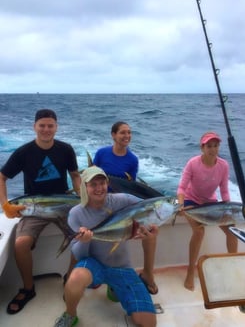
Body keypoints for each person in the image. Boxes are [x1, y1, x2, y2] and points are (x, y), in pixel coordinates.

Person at [54, 166, 157, 327]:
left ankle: (116, 287)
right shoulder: (76, 213)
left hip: (122, 266)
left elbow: (147, 208)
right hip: (94, 264)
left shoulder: (123, 200)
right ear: (84, 186)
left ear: (107, 184)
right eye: (93, 184)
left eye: (102, 183)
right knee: (75, 278)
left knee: (148, 322)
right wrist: (84, 241)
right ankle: (70, 314)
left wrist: (150, 225)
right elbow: (79, 255)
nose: (98, 188)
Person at [0, 109, 81, 314]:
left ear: (56, 127)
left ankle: (70, 279)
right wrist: (5, 205)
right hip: (33, 207)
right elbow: (1, 177)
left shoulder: (66, 149)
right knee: (20, 244)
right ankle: (28, 288)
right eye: (42, 125)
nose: (46, 129)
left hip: (63, 204)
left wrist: (83, 201)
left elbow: (75, 176)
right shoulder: (24, 152)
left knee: (81, 238)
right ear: (34, 127)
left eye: (50, 125)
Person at [93, 121, 158, 294]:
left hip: (123, 202)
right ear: (113, 135)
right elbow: (91, 176)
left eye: (129, 133)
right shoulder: (101, 153)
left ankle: (148, 274)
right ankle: (98, 273)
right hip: (102, 200)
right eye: (122, 132)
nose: (127, 136)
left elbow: (131, 186)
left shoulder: (132, 160)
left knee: (151, 232)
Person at [177, 131, 238, 291]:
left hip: (210, 202)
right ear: (202, 147)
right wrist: (182, 205)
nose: (213, 149)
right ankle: (191, 271)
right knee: (199, 232)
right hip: (191, 200)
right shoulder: (193, 163)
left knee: (232, 230)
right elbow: (182, 187)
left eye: (216, 145)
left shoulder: (223, 165)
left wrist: (226, 208)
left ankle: (233, 265)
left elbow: (224, 190)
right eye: (209, 146)